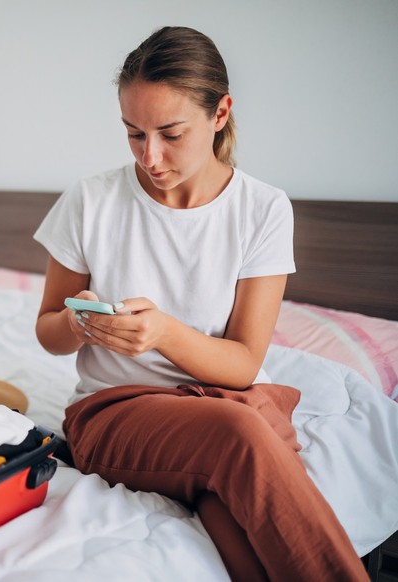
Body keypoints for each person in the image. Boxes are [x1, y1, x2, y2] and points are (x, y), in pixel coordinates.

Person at [34, 26, 366, 581]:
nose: (151, 156)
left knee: (235, 516)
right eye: (134, 134)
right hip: (112, 412)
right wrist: (77, 324)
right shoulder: (91, 199)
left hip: (214, 403)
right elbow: (46, 331)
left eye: (170, 133)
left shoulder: (263, 209)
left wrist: (164, 333)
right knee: (239, 437)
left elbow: (242, 363)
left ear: (220, 113)